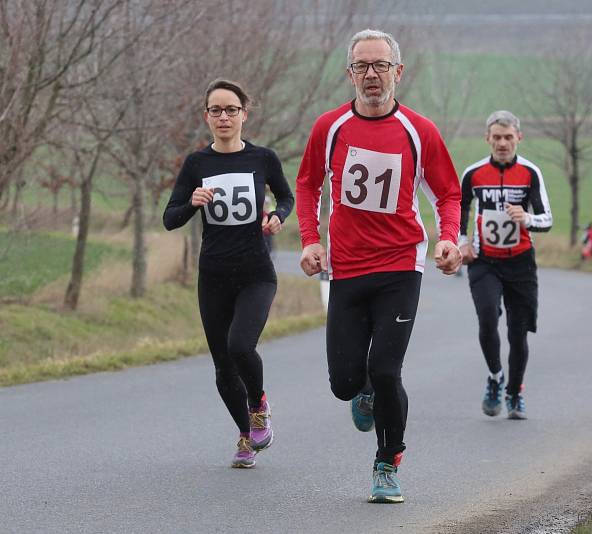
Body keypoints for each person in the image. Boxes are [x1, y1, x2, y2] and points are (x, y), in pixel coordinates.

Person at [296, 29, 461, 504]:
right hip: (346, 268)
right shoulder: (328, 127)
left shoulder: (418, 130)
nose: (372, 75)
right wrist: (310, 241)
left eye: (380, 66)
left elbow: (448, 192)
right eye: (362, 67)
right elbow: (307, 186)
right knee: (345, 382)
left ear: (398, 72)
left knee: (387, 369)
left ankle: (387, 462)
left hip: (400, 266)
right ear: (350, 73)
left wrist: (448, 238)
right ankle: (362, 387)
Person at [163, 79, 294, 468]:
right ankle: (245, 435)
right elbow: (170, 218)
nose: (224, 117)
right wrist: (191, 202)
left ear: (243, 115)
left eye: (231, 110)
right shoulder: (197, 164)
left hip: (256, 272)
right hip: (214, 276)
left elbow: (285, 197)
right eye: (216, 110)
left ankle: (259, 406)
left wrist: (276, 216)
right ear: (206, 117)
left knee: (241, 346)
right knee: (222, 366)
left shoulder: (263, 158)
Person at [458, 110, 553, 420]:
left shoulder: (530, 173)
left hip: (520, 263)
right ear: (487, 139)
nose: (502, 143)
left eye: (508, 137)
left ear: (518, 138)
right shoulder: (472, 174)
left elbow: (547, 219)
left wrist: (526, 219)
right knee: (487, 318)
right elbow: (459, 212)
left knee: (518, 333)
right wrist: (462, 243)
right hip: (484, 261)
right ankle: (496, 378)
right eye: (496, 137)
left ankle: (514, 392)